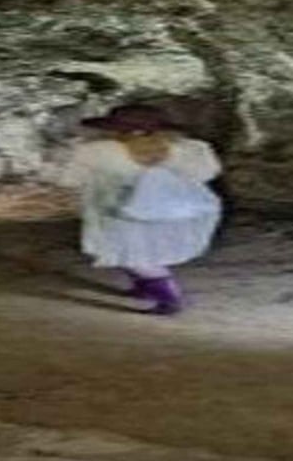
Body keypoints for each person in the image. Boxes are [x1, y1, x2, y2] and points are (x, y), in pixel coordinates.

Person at [68, 104, 222, 316]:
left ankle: (169, 297)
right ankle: (145, 288)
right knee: (146, 251)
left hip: (122, 211)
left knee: (131, 254)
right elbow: (208, 173)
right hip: (175, 210)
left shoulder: (96, 151)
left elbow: (69, 179)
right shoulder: (193, 149)